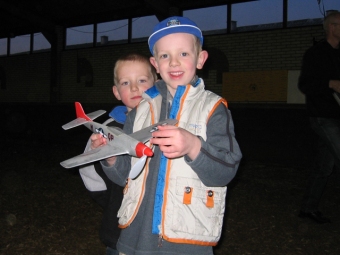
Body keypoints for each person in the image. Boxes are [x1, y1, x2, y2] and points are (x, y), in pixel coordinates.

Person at [91, 16, 242, 255]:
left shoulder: (213, 109)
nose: (174, 62)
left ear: (200, 59)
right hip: (134, 237)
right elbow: (123, 177)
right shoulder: (140, 111)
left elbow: (226, 171)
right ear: (155, 64)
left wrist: (194, 146)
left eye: (183, 54)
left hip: (187, 240)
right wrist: (109, 158)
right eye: (165, 56)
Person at [79, 52, 157, 255]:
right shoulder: (108, 128)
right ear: (116, 91)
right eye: (125, 83)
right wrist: (111, 202)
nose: (134, 88)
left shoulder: (162, 123)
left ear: (156, 83)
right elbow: (88, 171)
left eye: (141, 80)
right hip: (119, 230)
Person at [298, 11, 340, 224]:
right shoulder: (315, 54)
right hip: (322, 116)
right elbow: (304, 85)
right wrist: (330, 84)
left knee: (325, 165)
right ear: (331, 27)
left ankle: (308, 208)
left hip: (336, 116)